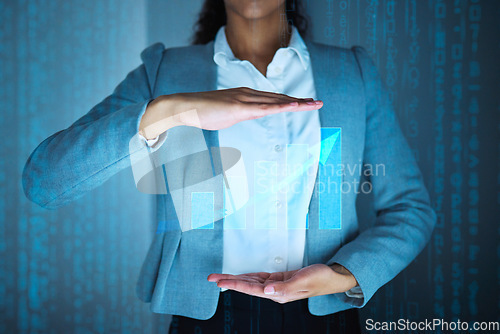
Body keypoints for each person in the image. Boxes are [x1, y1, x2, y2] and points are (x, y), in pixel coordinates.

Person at [22, 0, 436, 333]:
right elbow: (45, 182)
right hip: (205, 316)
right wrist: (173, 109)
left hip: (325, 315)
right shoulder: (164, 72)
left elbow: (410, 207)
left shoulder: (353, 73)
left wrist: (346, 274)